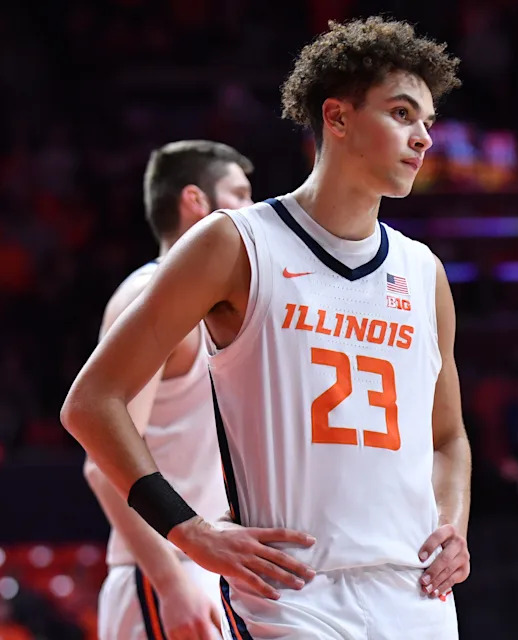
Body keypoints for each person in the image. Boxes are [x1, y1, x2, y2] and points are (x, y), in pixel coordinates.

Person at [61, 17, 471, 639]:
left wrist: (454, 524)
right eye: (401, 114)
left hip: (415, 592)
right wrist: (189, 531)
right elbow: (92, 403)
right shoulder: (236, 244)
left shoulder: (423, 273)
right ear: (336, 118)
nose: (423, 139)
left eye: (427, 123)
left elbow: (448, 439)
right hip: (292, 594)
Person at [86, 140, 254, 640]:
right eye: (240, 195)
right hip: (168, 569)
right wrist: (170, 582)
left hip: (208, 563)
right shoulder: (147, 296)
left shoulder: (220, 308)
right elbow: (102, 465)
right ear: (195, 201)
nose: (252, 211)